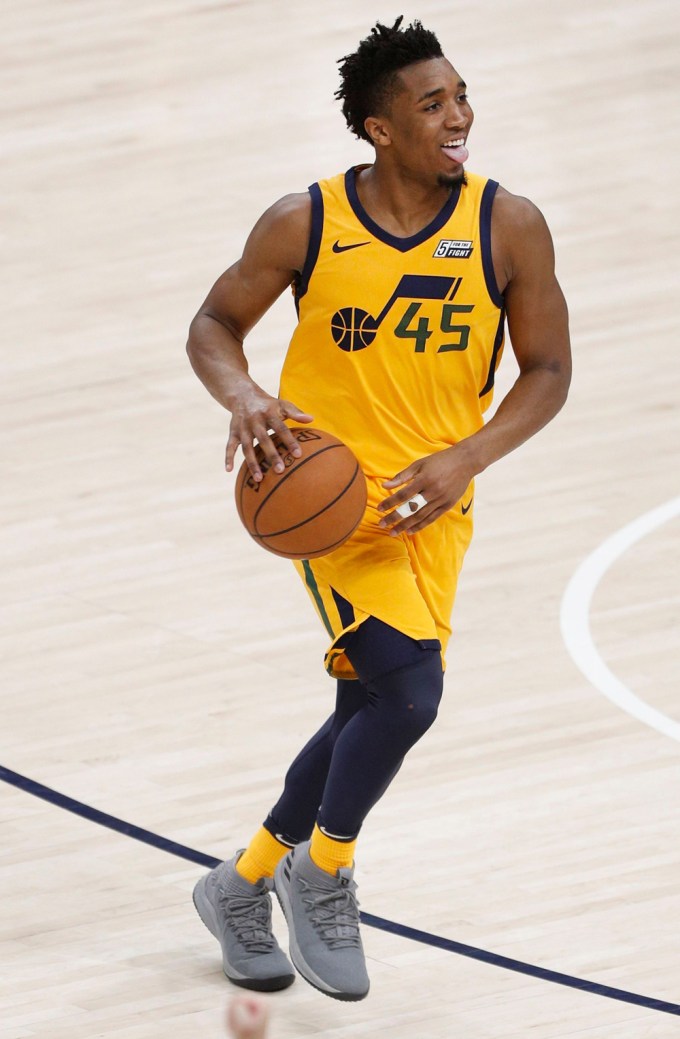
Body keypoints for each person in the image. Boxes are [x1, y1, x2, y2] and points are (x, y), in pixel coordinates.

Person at [187, 17, 571, 1004]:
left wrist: (465, 456)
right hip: (332, 505)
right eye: (431, 105)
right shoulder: (305, 221)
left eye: (459, 96)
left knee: (368, 704)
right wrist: (244, 395)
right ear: (378, 128)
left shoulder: (505, 224)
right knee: (407, 696)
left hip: (434, 506)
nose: (457, 117)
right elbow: (215, 324)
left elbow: (547, 370)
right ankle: (324, 867)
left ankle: (241, 885)